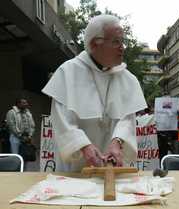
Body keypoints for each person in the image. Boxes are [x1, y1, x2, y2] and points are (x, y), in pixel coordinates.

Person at [42, 14, 147, 172]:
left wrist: (117, 142)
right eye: (115, 42)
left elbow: (127, 119)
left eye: (122, 42)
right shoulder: (68, 73)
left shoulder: (127, 78)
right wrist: (84, 146)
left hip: (113, 165)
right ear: (94, 44)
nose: (122, 47)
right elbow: (62, 121)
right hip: (76, 166)